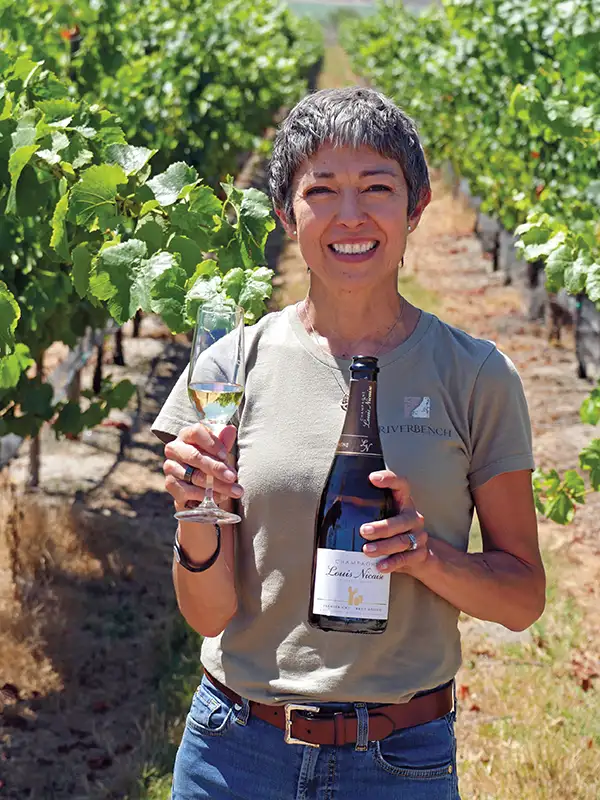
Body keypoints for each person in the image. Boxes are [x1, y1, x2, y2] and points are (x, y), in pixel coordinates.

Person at [152, 86, 545, 799]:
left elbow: (521, 599)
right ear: (285, 213)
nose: (351, 215)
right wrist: (195, 513)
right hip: (236, 754)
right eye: (321, 190)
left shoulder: (476, 375)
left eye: (377, 188)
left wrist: (426, 557)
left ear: (416, 208)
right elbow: (207, 615)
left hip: (401, 761)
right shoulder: (228, 367)